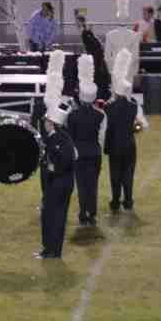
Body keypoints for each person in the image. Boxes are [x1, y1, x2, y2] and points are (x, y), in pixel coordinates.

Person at [36, 82, 77, 259]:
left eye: (46, 120)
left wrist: (52, 167)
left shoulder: (61, 139)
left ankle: (53, 250)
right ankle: (49, 249)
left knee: (55, 217)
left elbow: (69, 159)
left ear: (52, 123)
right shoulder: (55, 137)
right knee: (49, 216)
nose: (44, 122)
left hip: (60, 184)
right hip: (56, 183)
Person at [64, 56, 105, 225]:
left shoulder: (72, 115)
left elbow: (69, 136)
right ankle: (92, 213)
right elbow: (101, 136)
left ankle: (84, 214)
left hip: (79, 154)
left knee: (81, 186)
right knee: (93, 185)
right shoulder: (101, 115)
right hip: (95, 153)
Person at [103, 48, 144, 212]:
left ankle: (115, 201)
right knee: (128, 175)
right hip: (129, 145)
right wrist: (135, 128)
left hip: (114, 145)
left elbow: (106, 127)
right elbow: (140, 126)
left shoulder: (109, 108)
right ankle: (128, 201)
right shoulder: (134, 107)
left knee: (115, 175)